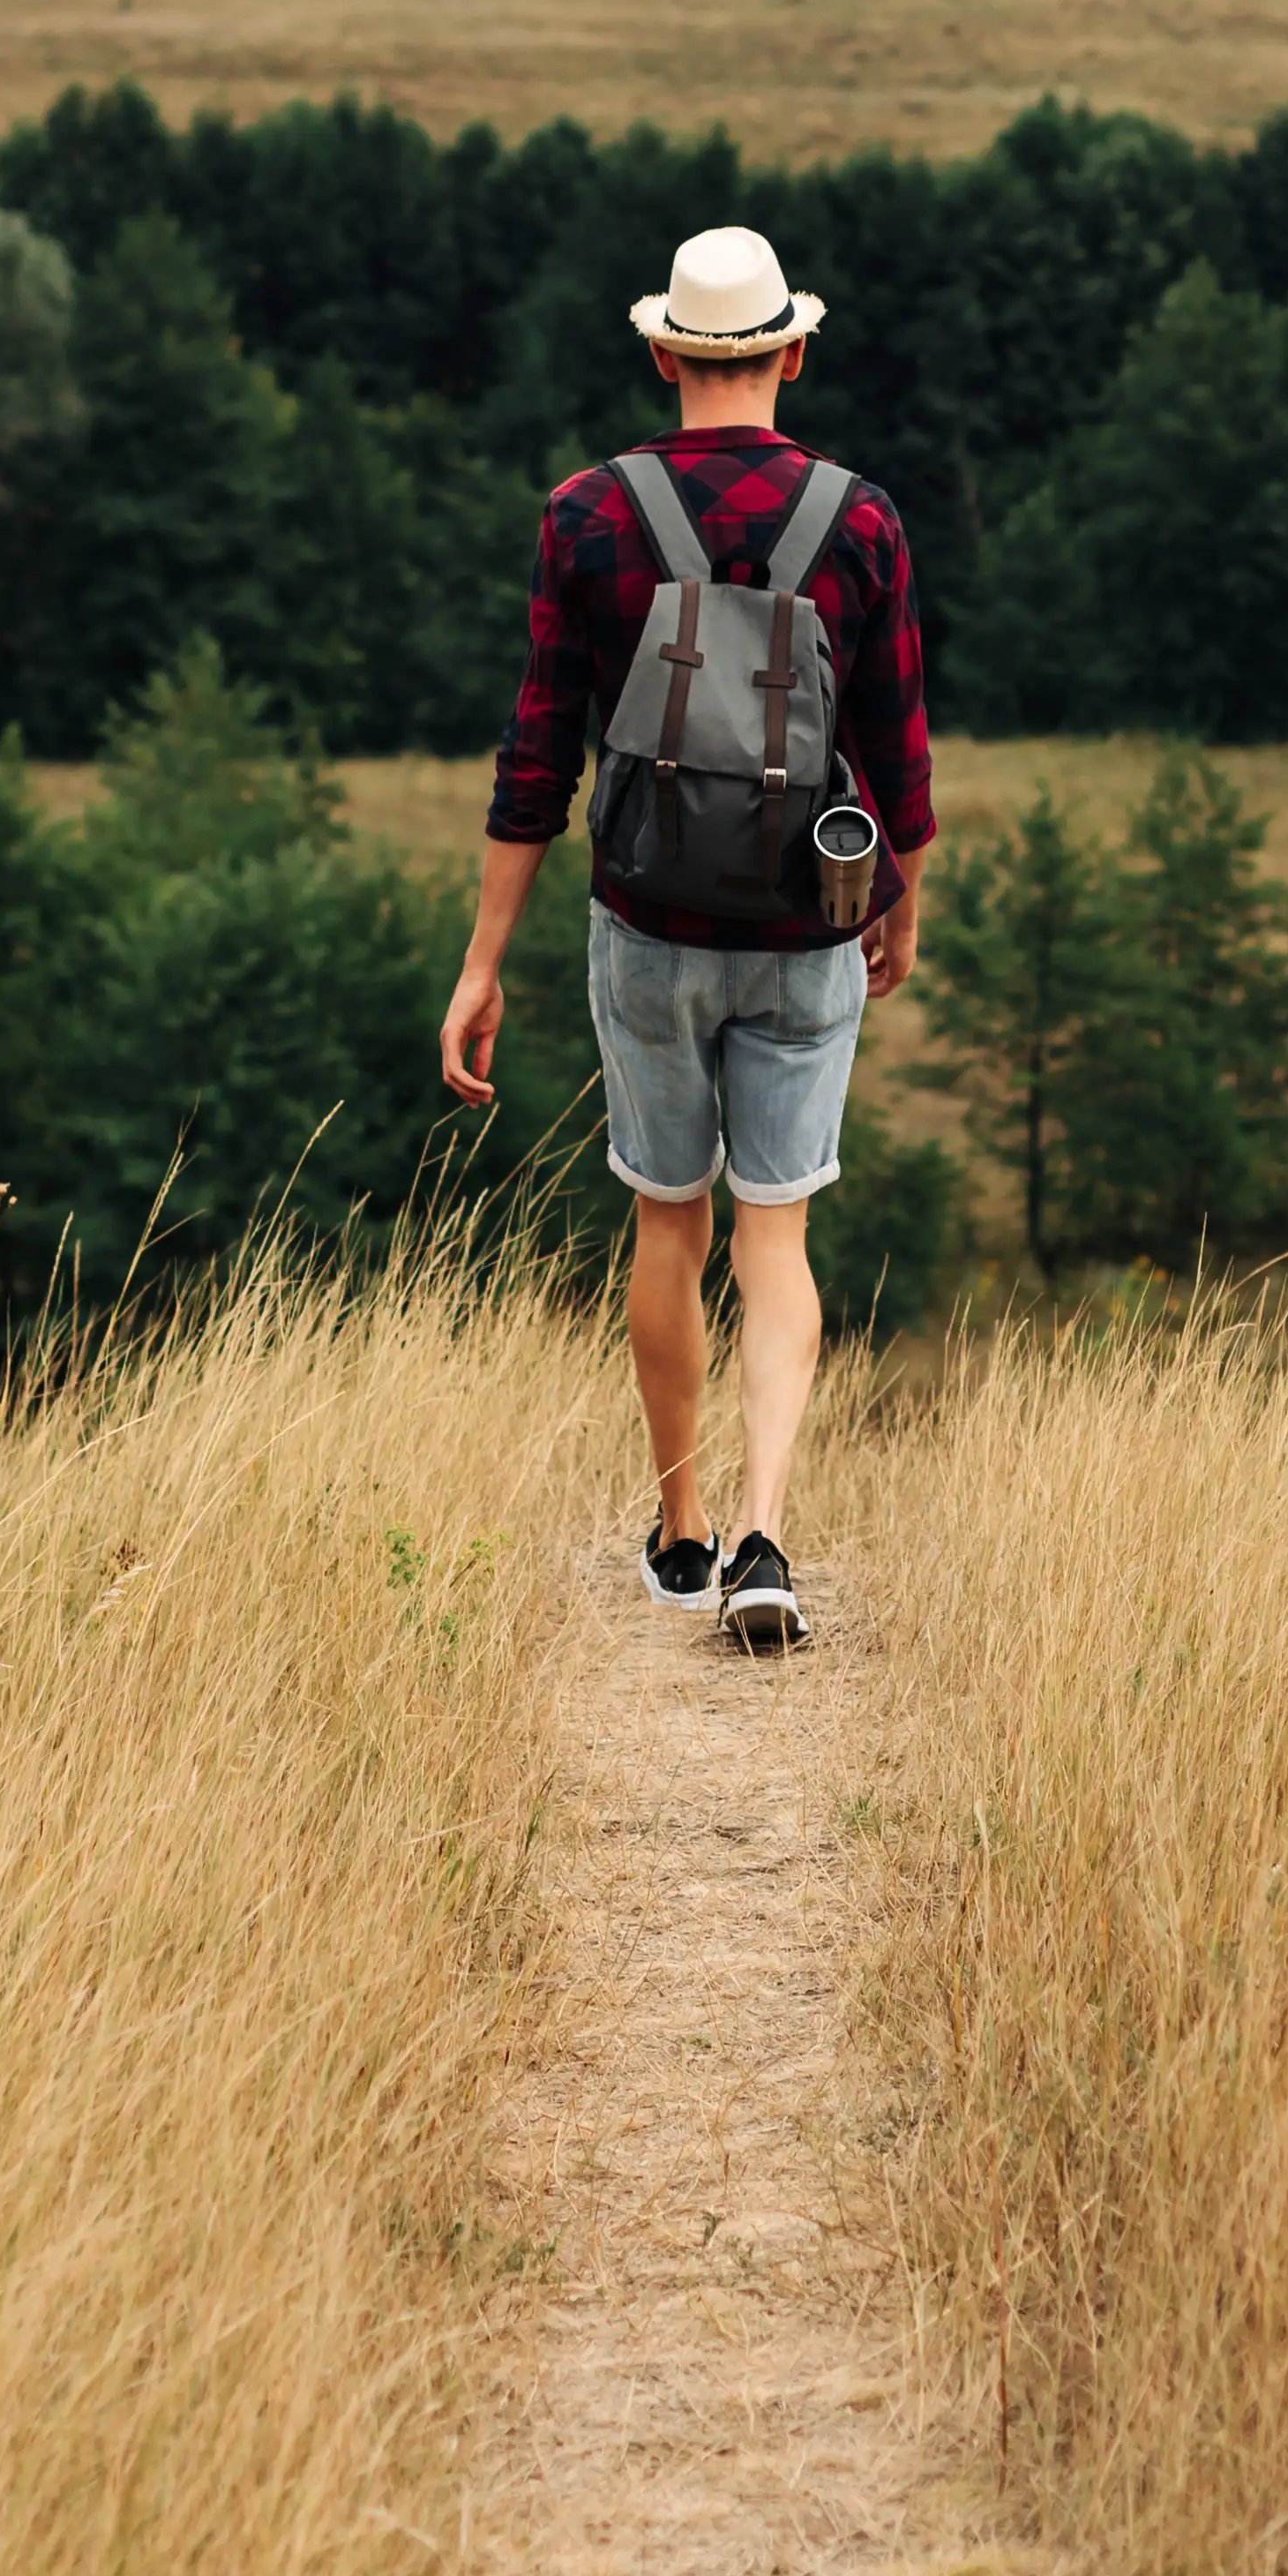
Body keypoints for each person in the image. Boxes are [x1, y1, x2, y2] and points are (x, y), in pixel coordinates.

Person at [436, 223, 932, 1652]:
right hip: (805, 926)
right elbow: (898, 760)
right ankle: (768, 1536)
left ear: (663, 356)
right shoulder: (860, 520)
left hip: (646, 925)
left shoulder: (587, 514)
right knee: (777, 1235)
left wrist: (483, 961)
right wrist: (894, 904)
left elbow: (537, 758)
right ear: (793, 354)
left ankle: (681, 1529)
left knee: (670, 1218)